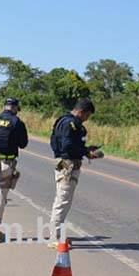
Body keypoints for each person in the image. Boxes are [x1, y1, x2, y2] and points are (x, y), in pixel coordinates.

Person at [48, 98, 104, 244]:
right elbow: (67, 146)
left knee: (63, 198)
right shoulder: (70, 124)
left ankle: (57, 233)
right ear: (81, 111)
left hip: (64, 162)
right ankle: (55, 236)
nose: (86, 120)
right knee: (62, 198)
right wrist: (86, 152)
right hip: (67, 163)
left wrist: (86, 149)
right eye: (87, 116)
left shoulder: (65, 121)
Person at [0, 97, 28, 228]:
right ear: (14, 108)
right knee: (1, 196)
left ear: (4, 106)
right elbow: (23, 144)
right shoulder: (17, 122)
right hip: (6, 164)